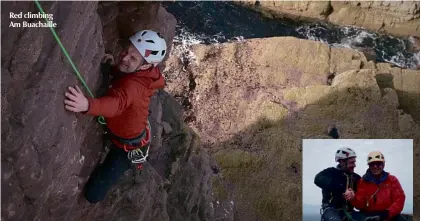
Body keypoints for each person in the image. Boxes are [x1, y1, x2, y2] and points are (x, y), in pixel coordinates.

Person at [63, 30, 167, 204]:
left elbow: (117, 104)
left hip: (127, 149)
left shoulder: (133, 87)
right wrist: (113, 69)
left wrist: (87, 105)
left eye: (133, 58)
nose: (125, 58)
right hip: (128, 132)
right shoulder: (145, 74)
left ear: (145, 66)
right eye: (126, 51)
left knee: (93, 196)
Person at [346, 151, 406, 221]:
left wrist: (387, 213)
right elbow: (360, 205)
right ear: (369, 165)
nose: (375, 166)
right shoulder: (362, 182)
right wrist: (353, 198)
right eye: (372, 164)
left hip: (388, 215)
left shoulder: (392, 180)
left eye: (378, 163)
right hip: (369, 216)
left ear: (383, 165)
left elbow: (400, 199)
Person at [314, 147, 362, 221]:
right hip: (331, 210)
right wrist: (343, 190)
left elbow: (361, 196)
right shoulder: (331, 172)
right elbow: (317, 179)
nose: (354, 165)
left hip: (349, 211)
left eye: (354, 162)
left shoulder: (356, 178)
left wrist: (354, 197)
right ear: (342, 162)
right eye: (351, 162)